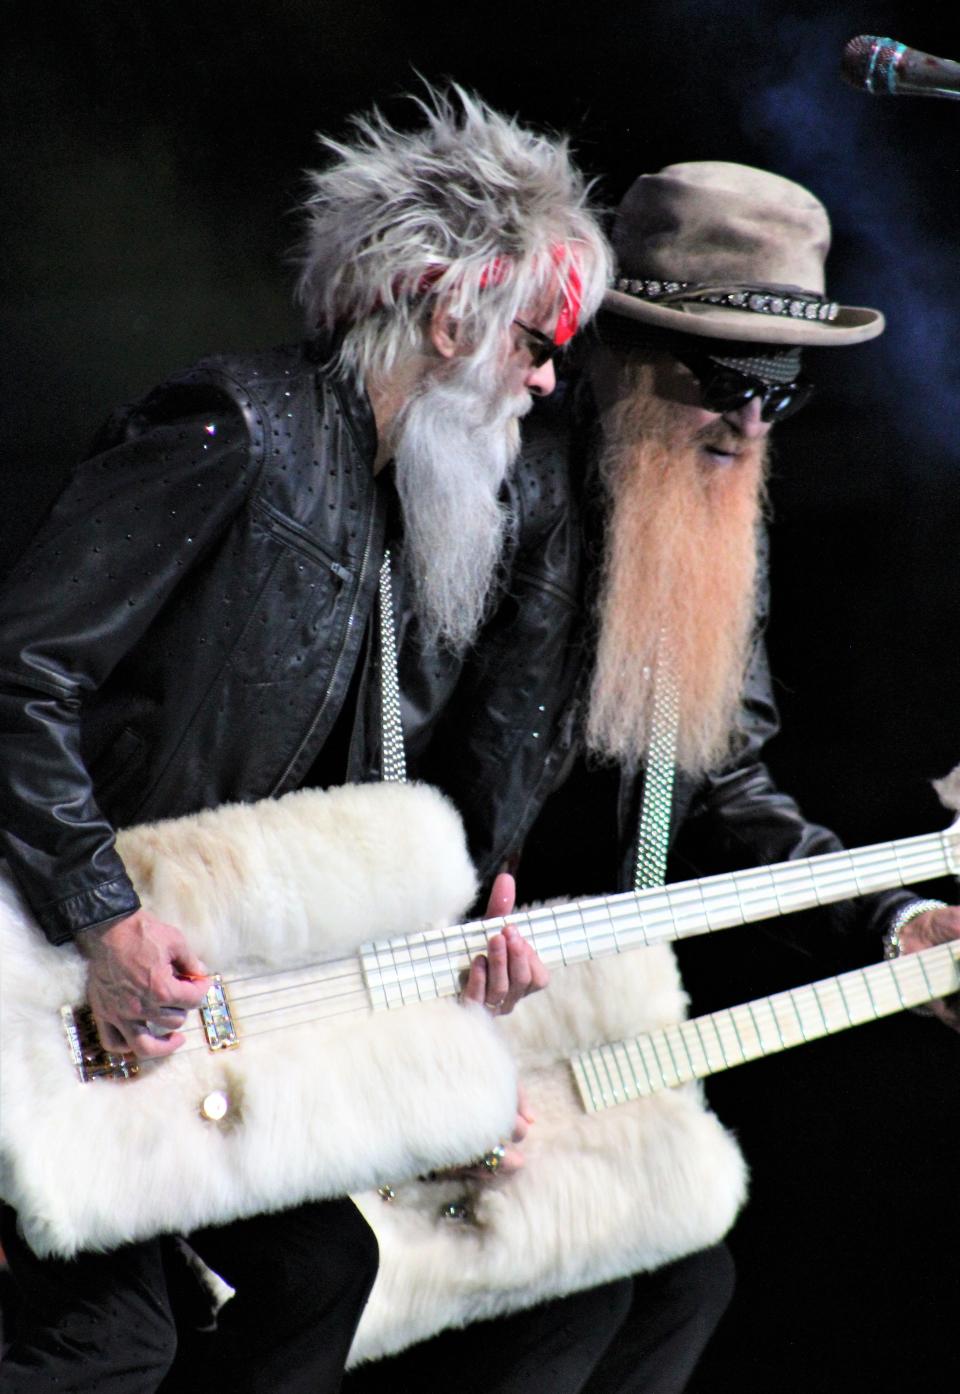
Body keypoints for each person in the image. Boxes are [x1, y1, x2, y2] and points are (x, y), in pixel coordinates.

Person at [0, 87, 611, 1393]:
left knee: (317, 1269)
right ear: (453, 318)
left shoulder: (394, 520)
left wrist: (442, 960)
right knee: (106, 1341)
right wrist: (104, 918)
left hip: (181, 1030)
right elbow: (18, 672)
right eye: (542, 340)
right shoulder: (235, 431)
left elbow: (307, 842)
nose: (550, 379)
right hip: (44, 985)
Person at [343, 161, 960, 1394]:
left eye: (784, 387)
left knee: (690, 1272)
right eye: (725, 376)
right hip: (395, 966)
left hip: (549, 990)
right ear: (622, 350)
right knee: (575, 1292)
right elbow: (360, 746)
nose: (754, 420)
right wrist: (429, 988)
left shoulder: (718, 506)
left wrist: (898, 919)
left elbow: (725, 784)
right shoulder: (495, 486)